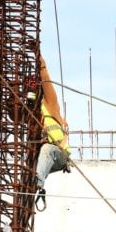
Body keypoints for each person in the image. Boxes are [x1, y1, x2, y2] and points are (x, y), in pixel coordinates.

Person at [34, 56, 71, 211]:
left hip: (59, 154)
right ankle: (33, 184)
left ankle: (38, 183)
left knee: (47, 149)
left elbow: (46, 82)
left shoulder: (49, 105)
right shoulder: (32, 114)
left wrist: (41, 64)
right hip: (44, 159)